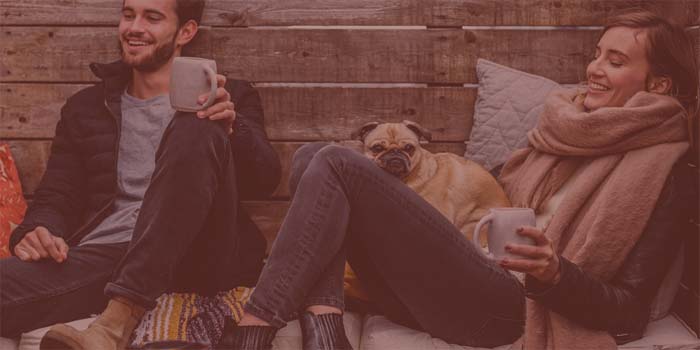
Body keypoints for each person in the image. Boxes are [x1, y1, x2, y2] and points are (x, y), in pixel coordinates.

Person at [219, 10, 698, 350]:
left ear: (658, 86)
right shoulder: (568, 131)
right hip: (464, 277)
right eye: (597, 54)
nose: (594, 69)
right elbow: (495, 193)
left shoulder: (661, 169)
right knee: (309, 159)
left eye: (615, 62)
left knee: (334, 162)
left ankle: (255, 325)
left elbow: (629, 311)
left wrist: (555, 275)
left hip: (510, 309)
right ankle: (325, 329)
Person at [0, 0, 281, 349]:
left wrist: (232, 127)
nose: (134, 28)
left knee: (199, 120)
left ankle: (117, 320)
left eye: (152, 18)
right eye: (128, 14)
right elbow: (57, 195)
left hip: (198, 252)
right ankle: (123, 302)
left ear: (186, 32)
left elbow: (266, 179)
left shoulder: (231, 95)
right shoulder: (85, 108)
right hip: (109, 257)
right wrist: (36, 231)